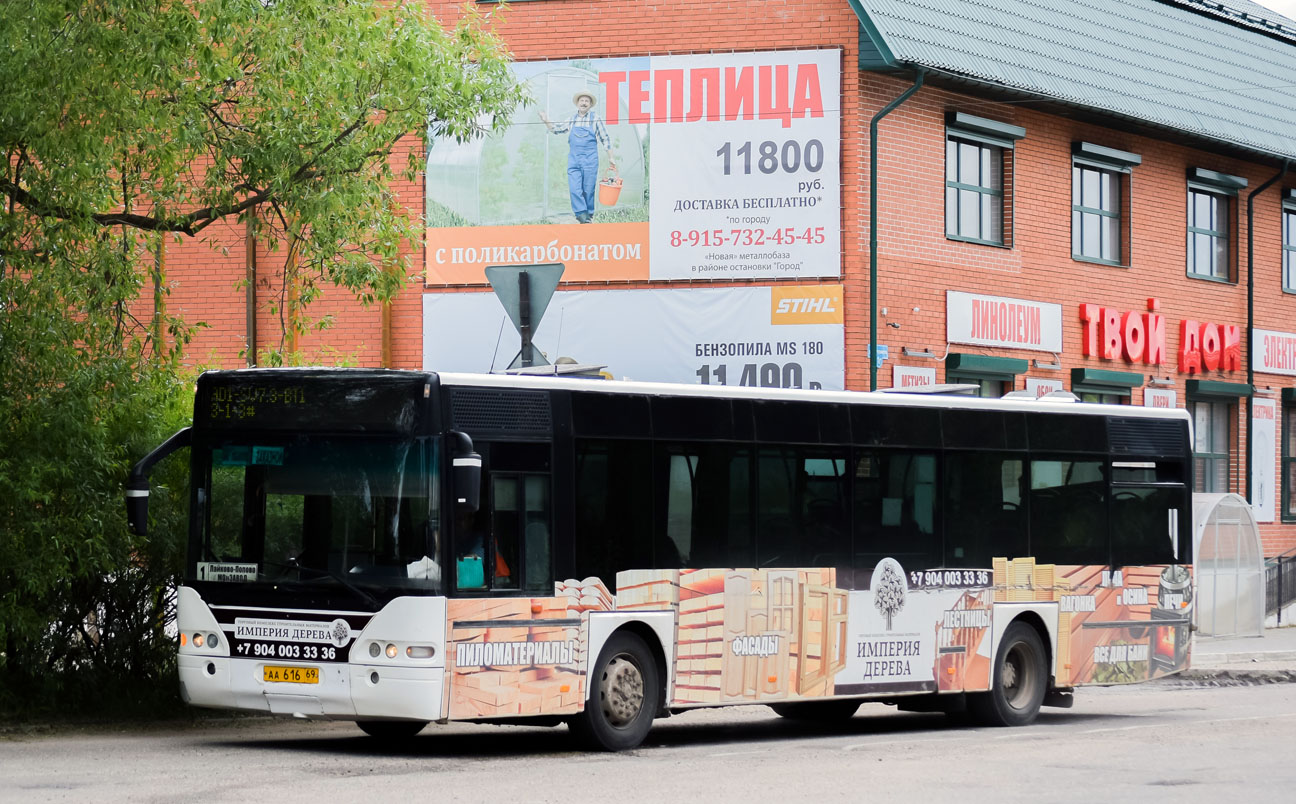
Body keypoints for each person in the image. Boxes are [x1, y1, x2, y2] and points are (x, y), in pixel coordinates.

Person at [539, 91, 616, 223]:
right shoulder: (572, 119)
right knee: (574, 188)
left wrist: (611, 157)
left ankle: (588, 215)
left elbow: (605, 139)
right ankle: (581, 214)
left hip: (590, 161)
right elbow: (556, 129)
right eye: (582, 100)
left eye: (587, 101)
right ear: (577, 104)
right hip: (574, 160)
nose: (584, 103)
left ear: (590, 105)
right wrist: (546, 120)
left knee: (588, 189)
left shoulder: (595, 119)